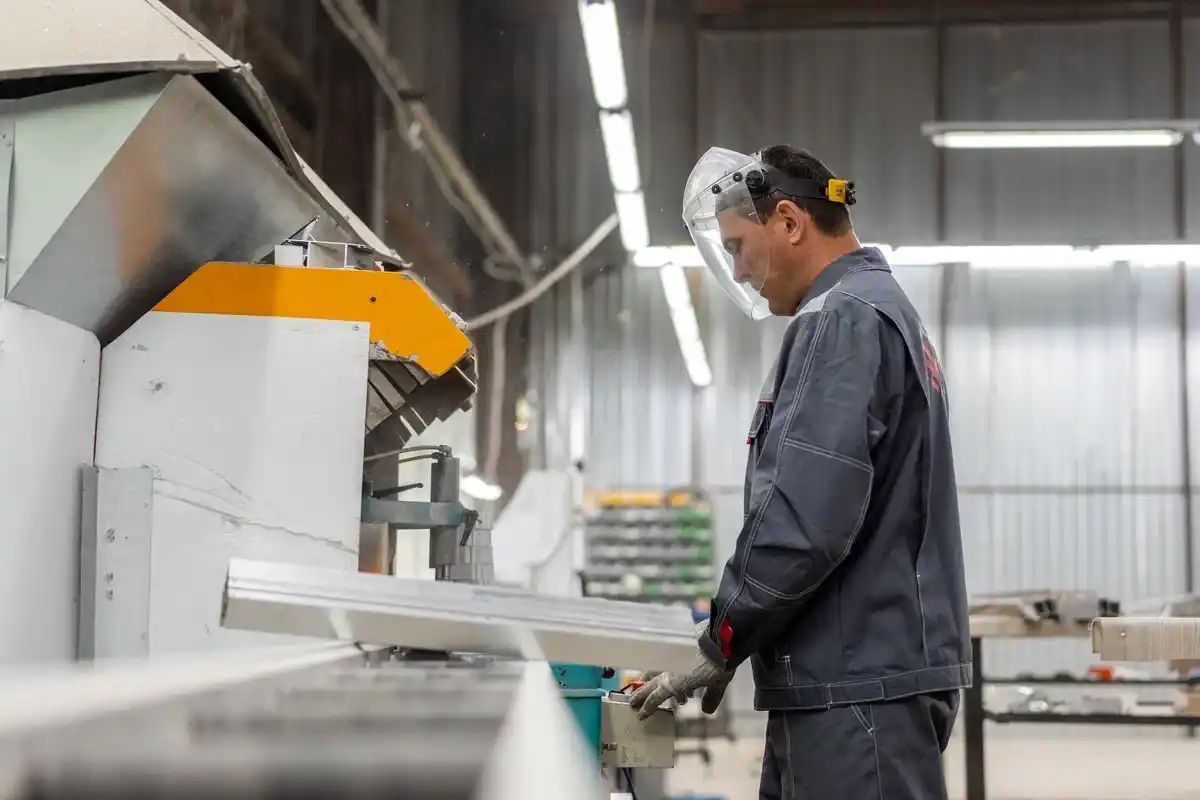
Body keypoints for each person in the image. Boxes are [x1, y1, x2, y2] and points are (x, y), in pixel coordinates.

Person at [630, 144, 971, 799]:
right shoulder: (880, 309)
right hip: (856, 679)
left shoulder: (842, 319)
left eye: (737, 246)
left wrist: (723, 638)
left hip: (854, 692)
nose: (737, 269)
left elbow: (804, 519)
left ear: (789, 222)